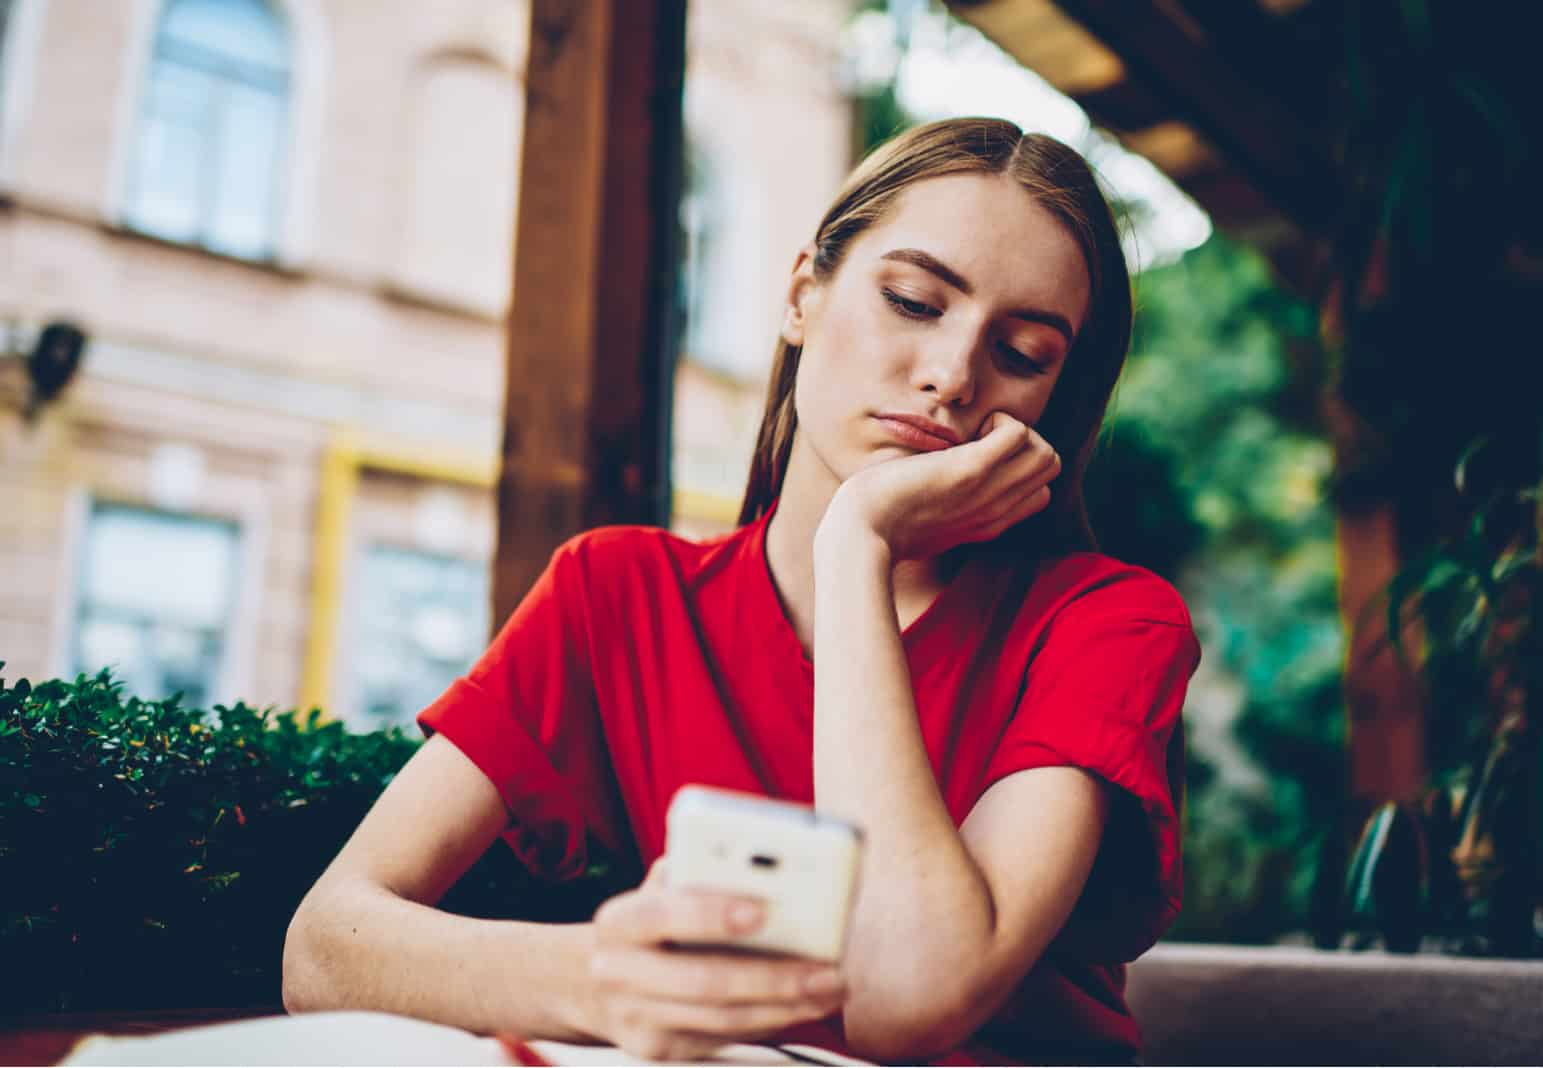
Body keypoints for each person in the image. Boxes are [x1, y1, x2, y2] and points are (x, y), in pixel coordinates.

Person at [283, 117, 1200, 1066]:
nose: (952, 377)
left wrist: (859, 544)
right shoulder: (619, 593)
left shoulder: (1108, 624)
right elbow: (322, 947)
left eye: (1023, 354)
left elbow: (906, 998)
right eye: (915, 301)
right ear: (804, 292)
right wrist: (606, 978)